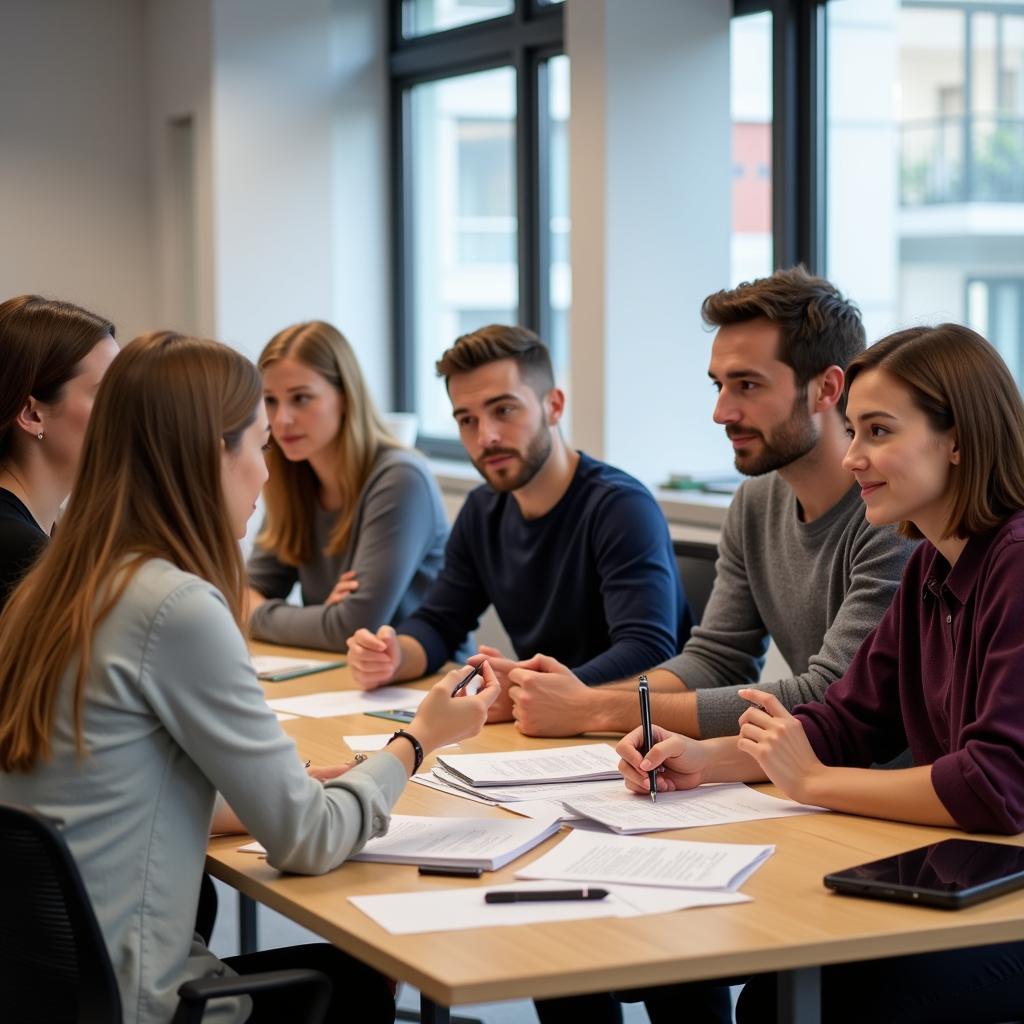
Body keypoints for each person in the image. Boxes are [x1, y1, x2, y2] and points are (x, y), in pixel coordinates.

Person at [0, 331, 498, 1024]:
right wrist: (415, 743)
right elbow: (309, 843)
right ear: (213, 454)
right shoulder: (172, 606)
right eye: (258, 443)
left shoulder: (50, 586)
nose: (267, 471)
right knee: (363, 967)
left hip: (50, 988)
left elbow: (110, 786)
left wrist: (291, 791)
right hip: (149, 998)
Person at [618, 323, 1024, 1024]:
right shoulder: (933, 561)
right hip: (974, 872)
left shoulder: (1015, 561)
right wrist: (706, 759)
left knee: (803, 1000)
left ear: (956, 439)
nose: (855, 458)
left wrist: (810, 783)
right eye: (853, 431)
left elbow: (995, 784)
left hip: (1006, 906)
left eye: (878, 432)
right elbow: (845, 718)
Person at [504, 267, 916, 742]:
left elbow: (829, 694)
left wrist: (596, 709)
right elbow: (716, 659)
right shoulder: (756, 502)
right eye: (718, 385)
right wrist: (569, 698)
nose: (721, 412)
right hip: (807, 780)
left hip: (886, 793)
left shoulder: (892, 513)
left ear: (826, 388)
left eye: (748, 385)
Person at [346, 324, 686, 722]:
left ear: (554, 406)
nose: (485, 436)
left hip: (630, 730)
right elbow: (441, 623)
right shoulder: (482, 510)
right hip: (539, 728)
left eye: (503, 410)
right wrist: (394, 656)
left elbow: (648, 648)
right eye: (467, 420)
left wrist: (538, 690)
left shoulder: (621, 507)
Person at [246, 320, 449, 651]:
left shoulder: (401, 478)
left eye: (301, 398)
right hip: (340, 680)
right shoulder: (291, 476)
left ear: (345, 398)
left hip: (427, 684)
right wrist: (322, 618)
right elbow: (241, 595)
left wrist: (263, 612)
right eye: (270, 400)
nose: (282, 419)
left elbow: (352, 628)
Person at [0, 294, 118, 610]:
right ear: (31, 414)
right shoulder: (17, 549)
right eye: (105, 393)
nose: (125, 411)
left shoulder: (43, 532)